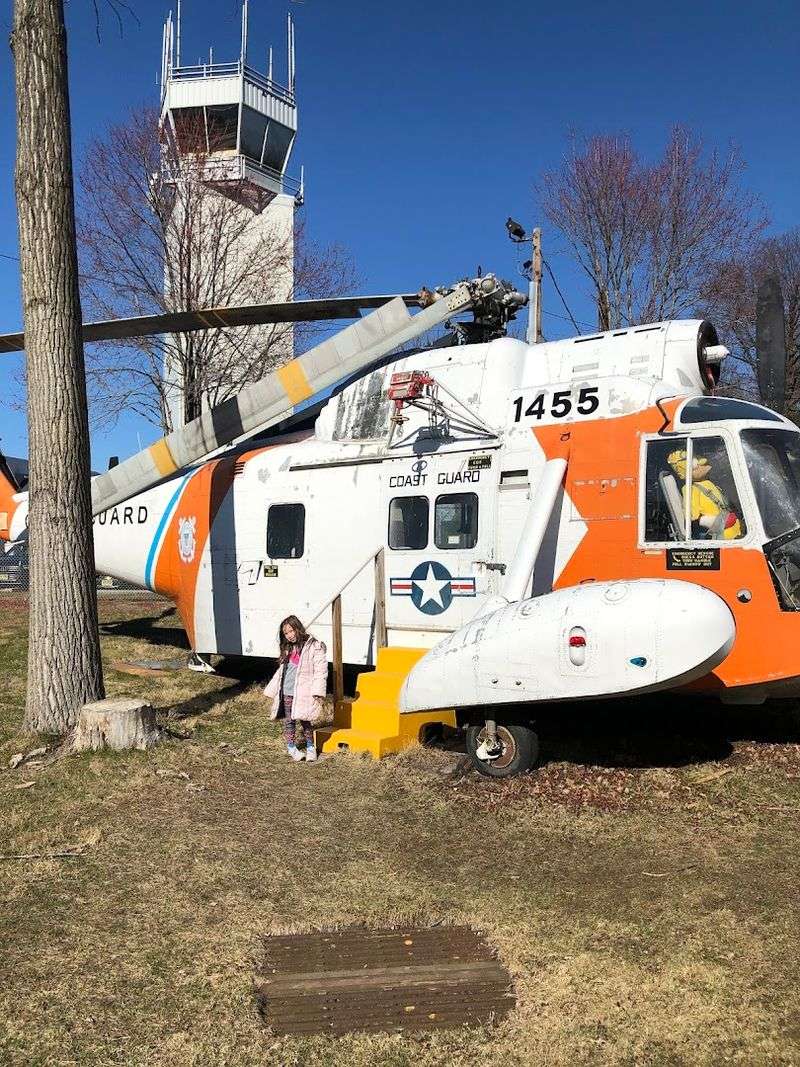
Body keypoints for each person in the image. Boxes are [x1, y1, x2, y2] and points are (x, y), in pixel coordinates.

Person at [264, 615, 328, 762]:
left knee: (305, 720)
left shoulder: (314, 646)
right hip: (287, 690)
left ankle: (311, 746)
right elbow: (282, 672)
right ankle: (291, 747)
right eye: (286, 633)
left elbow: (320, 671)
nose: (290, 635)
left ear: (298, 628)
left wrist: (318, 691)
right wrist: (272, 689)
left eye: (291, 631)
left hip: (303, 692)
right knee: (289, 720)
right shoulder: (288, 648)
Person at [667, 449, 743, 540]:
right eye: (696, 465)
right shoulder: (690, 489)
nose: (702, 463)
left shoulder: (707, 482)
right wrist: (712, 521)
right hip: (723, 535)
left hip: (734, 528)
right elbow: (692, 515)